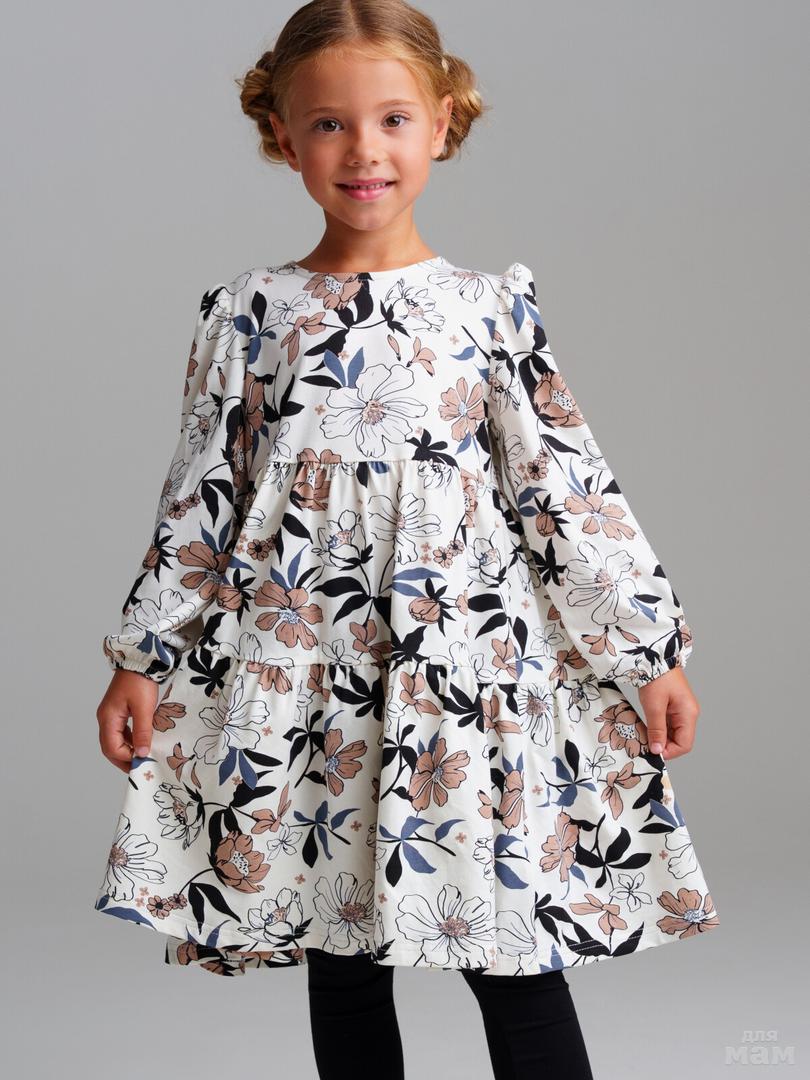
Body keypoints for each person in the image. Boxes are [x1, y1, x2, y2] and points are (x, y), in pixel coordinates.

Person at [94, 2, 720, 1077]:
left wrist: (647, 650)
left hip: (461, 675)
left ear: (443, 122)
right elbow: (202, 495)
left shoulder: (488, 308)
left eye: (391, 119)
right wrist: (140, 657)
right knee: (339, 952)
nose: (363, 150)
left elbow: (563, 490)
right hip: (306, 671)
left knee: (513, 947)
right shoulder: (251, 312)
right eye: (328, 124)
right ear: (283, 135)